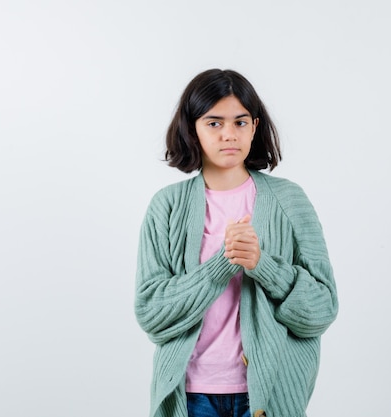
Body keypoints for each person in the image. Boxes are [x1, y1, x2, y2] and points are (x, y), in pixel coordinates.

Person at [134, 68, 338, 417]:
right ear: (192, 129)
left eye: (240, 122)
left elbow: (322, 308)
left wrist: (264, 266)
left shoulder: (289, 201)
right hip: (191, 394)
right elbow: (152, 314)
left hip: (268, 393)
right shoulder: (166, 206)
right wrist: (220, 265)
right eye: (214, 123)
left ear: (255, 127)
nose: (229, 134)